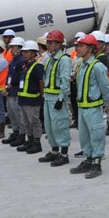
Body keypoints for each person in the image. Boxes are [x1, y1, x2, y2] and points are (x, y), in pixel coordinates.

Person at [69, 34, 109, 178]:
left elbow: (105, 88)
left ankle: (96, 163)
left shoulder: (98, 66)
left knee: (96, 134)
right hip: (82, 107)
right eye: (78, 45)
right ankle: (87, 160)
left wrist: (107, 106)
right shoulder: (81, 64)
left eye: (81, 46)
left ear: (90, 49)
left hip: (94, 107)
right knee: (84, 136)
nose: (78, 48)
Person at [38, 30, 73, 167]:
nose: (48, 45)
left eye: (51, 42)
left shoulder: (64, 60)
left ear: (59, 44)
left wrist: (61, 99)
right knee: (49, 126)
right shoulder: (50, 59)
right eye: (48, 42)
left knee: (60, 125)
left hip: (57, 98)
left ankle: (64, 154)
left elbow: (65, 81)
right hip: (48, 97)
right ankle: (54, 151)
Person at [16, 40, 45, 155]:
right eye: (23, 52)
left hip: (33, 100)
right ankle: (30, 141)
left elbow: (41, 83)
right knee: (26, 122)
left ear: (34, 53)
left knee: (34, 122)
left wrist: (41, 97)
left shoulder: (38, 67)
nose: (23, 54)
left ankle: (37, 143)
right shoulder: (25, 66)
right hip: (23, 99)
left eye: (26, 52)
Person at [2, 37, 26, 147]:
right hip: (10, 91)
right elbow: (9, 75)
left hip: (16, 91)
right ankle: (16, 132)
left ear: (19, 48)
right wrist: (6, 87)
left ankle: (21, 134)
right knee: (12, 114)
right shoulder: (13, 61)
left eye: (13, 47)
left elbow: (18, 77)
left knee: (18, 114)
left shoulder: (21, 61)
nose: (11, 49)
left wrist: (8, 87)